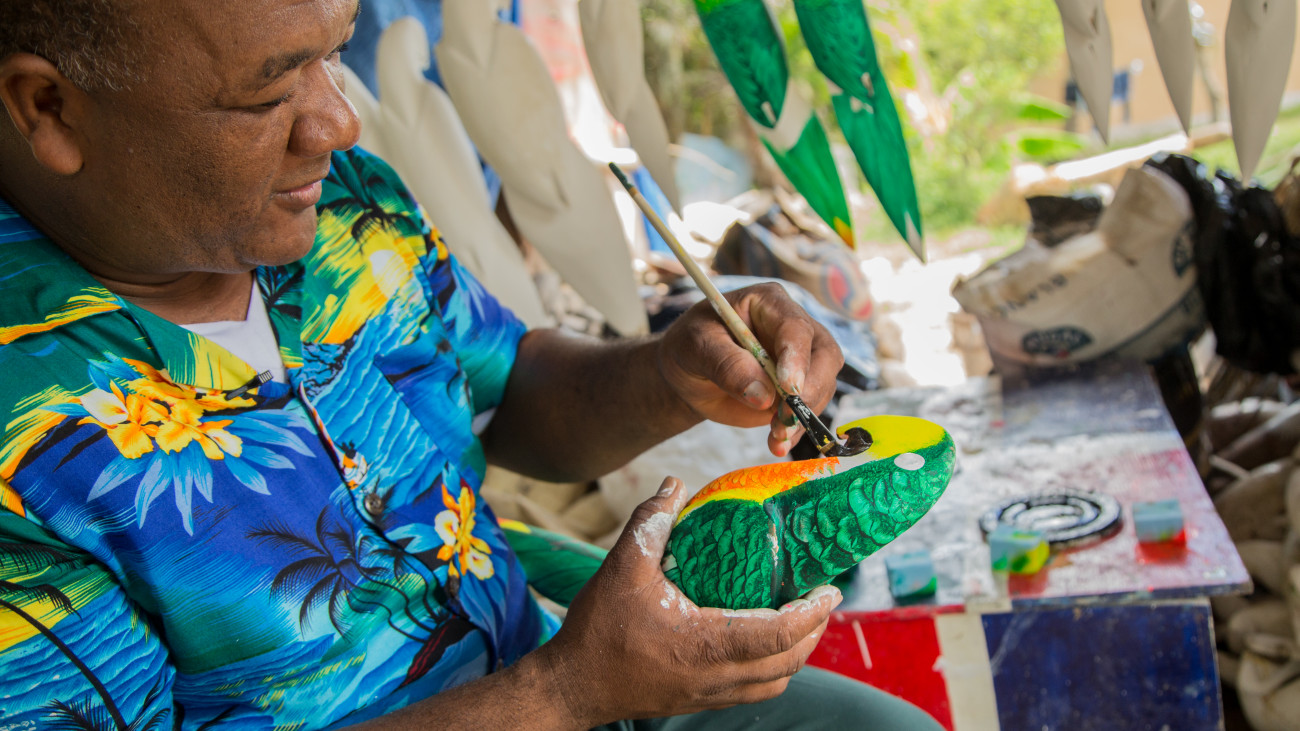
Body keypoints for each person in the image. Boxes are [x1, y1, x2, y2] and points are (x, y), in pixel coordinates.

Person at [0, 0, 943, 728]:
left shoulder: (346, 203)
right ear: (50, 108)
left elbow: (506, 393)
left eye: (335, 52)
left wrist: (668, 374)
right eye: (267, 92)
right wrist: (564, 691)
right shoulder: (23, 431)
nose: (338, 123)